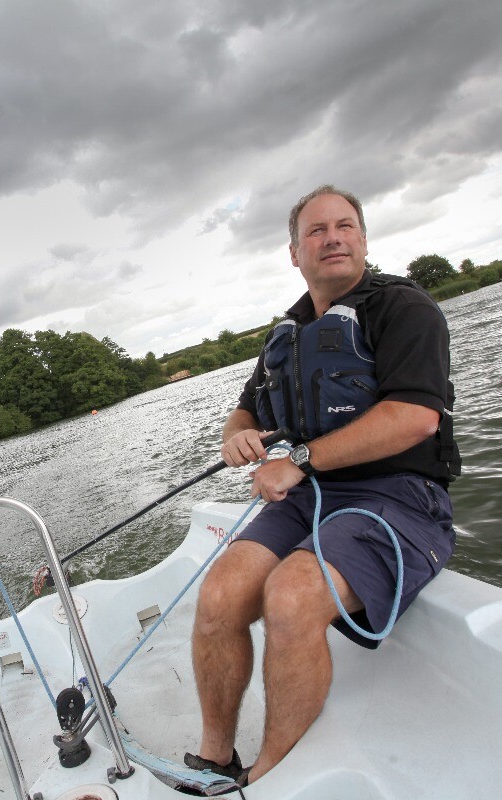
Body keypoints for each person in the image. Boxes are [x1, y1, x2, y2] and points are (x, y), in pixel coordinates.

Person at [184, 185, 460, 790]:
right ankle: (215, 758)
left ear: (362, 239)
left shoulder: (405, 309)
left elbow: (416, 416)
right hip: (314, 494)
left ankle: (270, 775)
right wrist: (238, 438)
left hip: (401, 495)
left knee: (290, 597)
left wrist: (301, 459)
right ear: (294, 252)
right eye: (316, 230)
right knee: (220, 595)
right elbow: (245, 412)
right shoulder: (287, 331)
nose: (332, 237)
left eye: (345, 226)